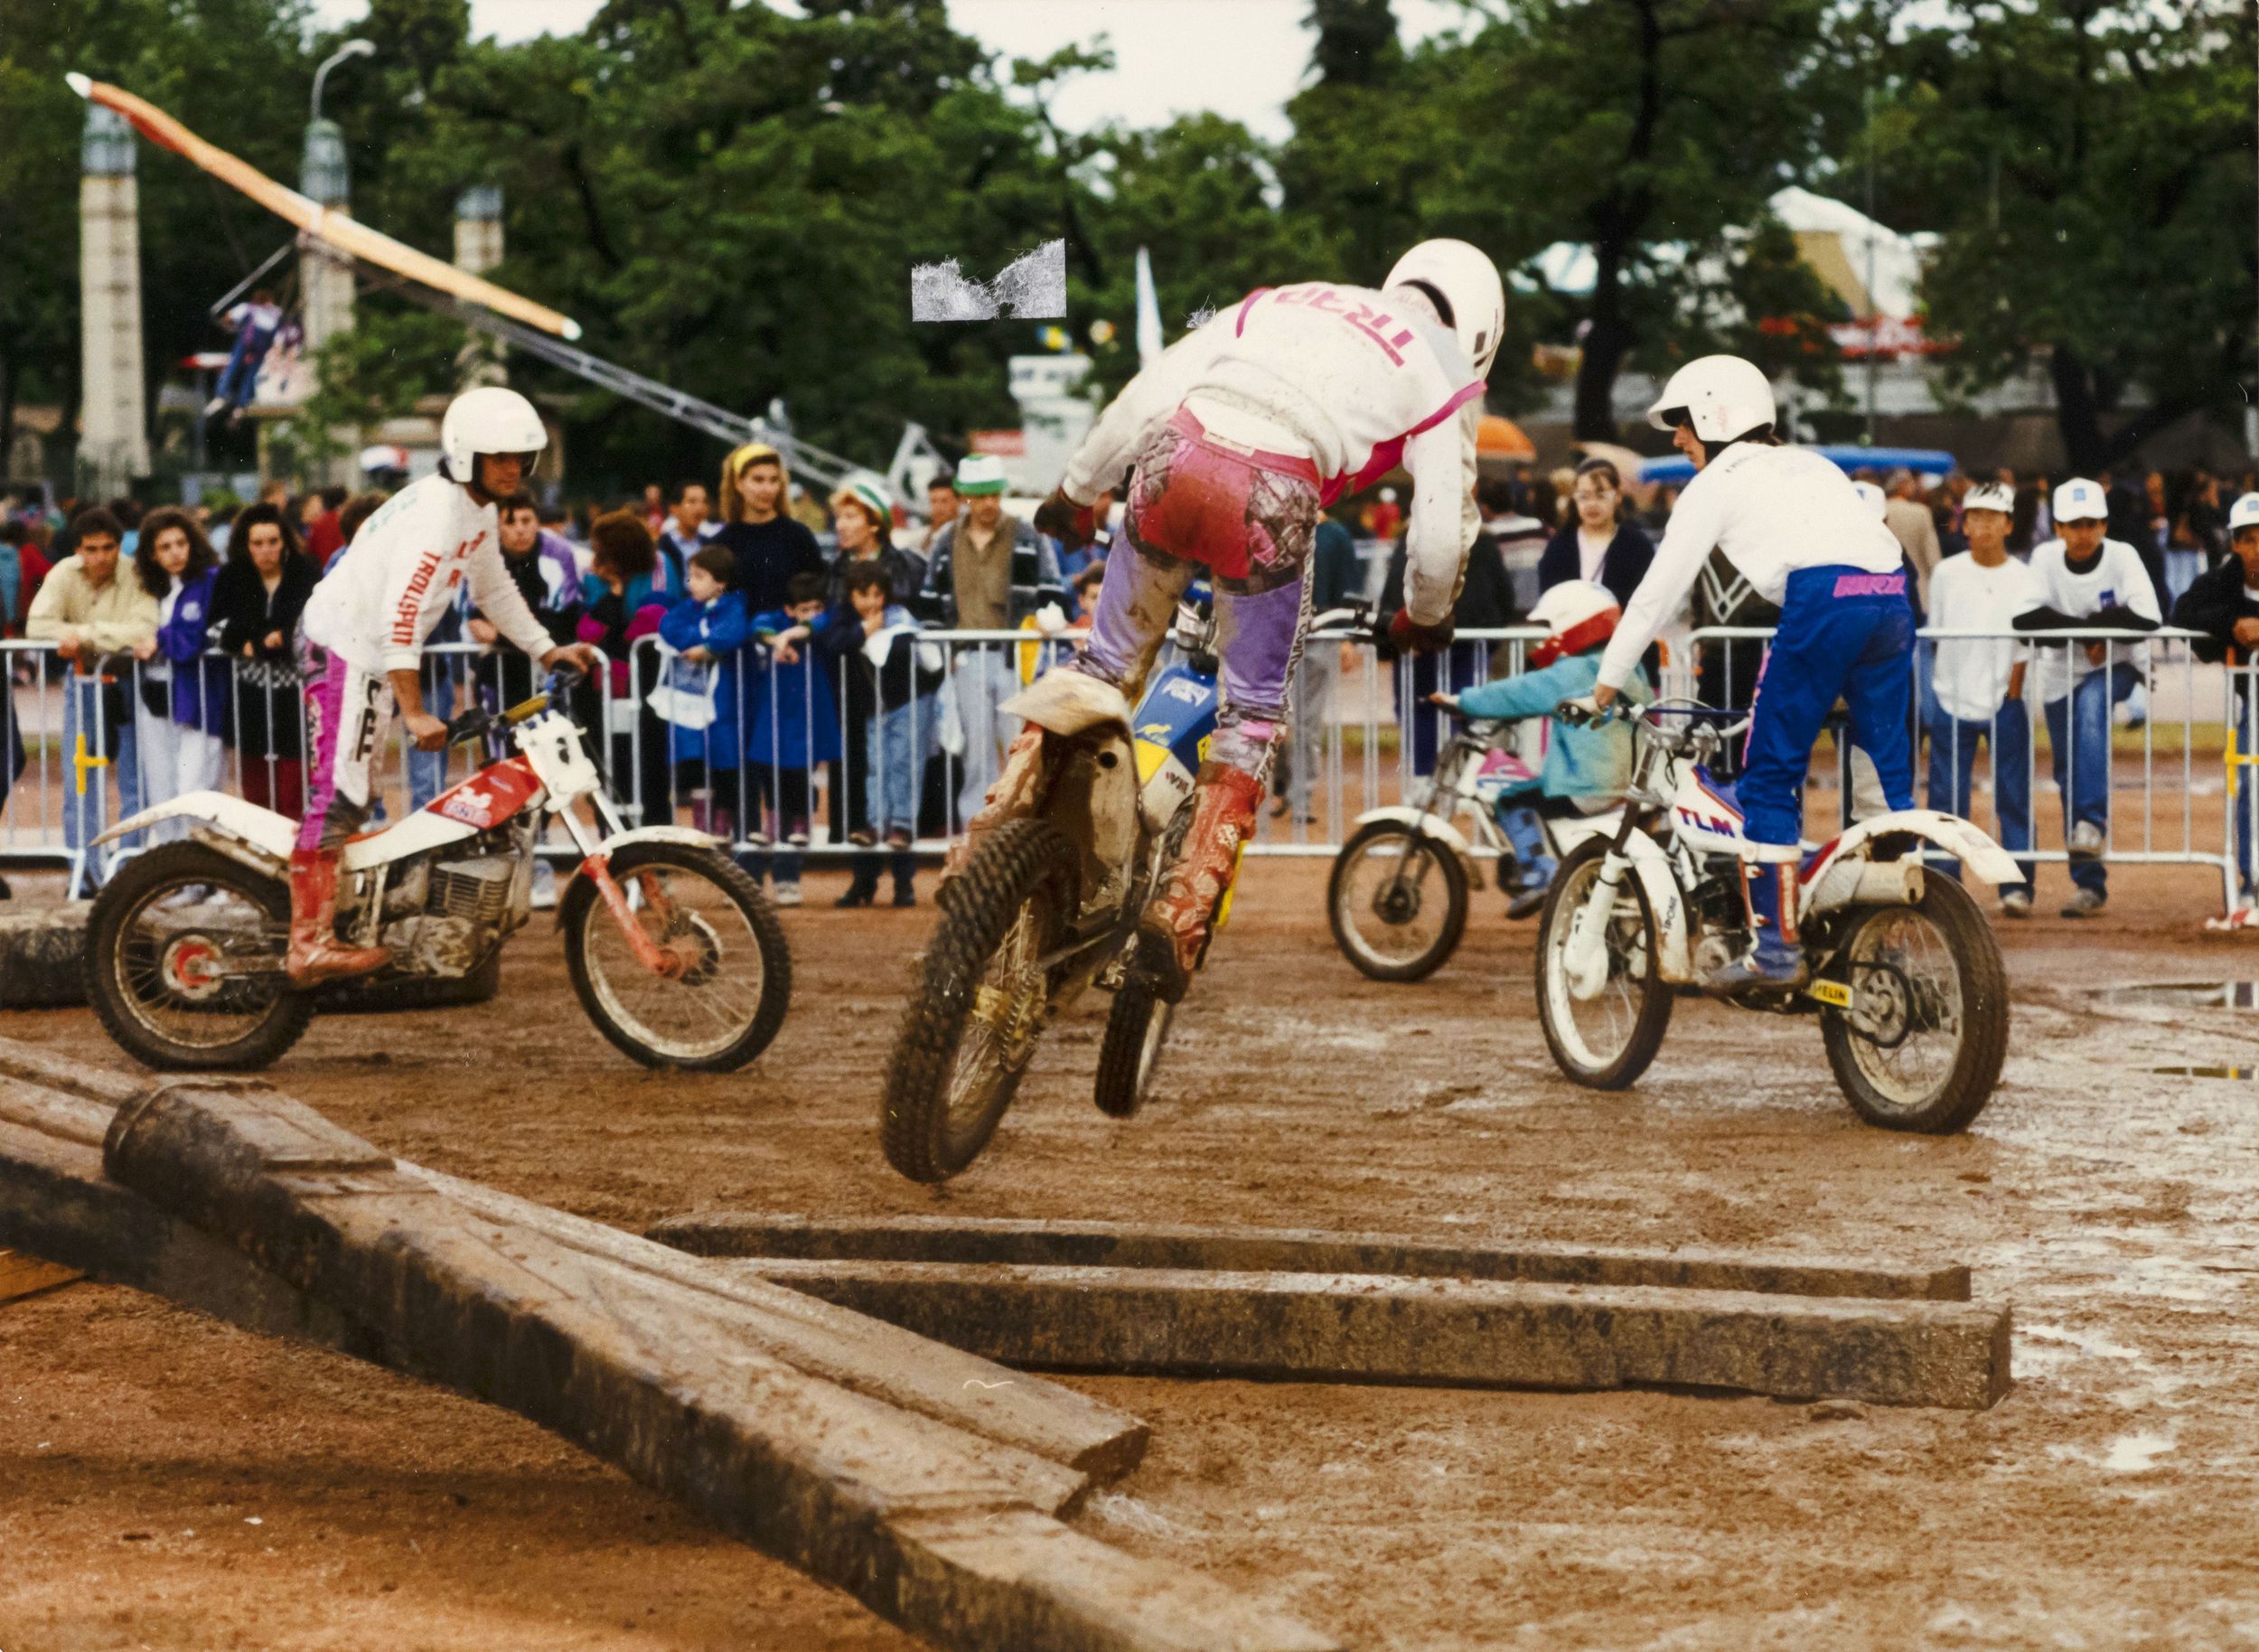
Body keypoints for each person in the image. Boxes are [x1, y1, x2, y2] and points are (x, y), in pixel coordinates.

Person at [1025, 238, 1502, 998]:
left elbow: (1147, 395)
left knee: (1103, 667)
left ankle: (1001, 834)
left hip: (1170, 457)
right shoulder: (1441, 365)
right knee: (1250, 717)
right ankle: (1178, 918)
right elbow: (1443, 529)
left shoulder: (1286, 300)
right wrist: (1423, 617)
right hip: (1269, 500)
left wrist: (1079, 491)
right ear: (1482, 333)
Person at [1589, 353, 1911, 990]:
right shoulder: (1813, 463)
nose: (1678, 438)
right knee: (1882, 775)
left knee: (1769, 775)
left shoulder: (1715, 482)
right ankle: (1890, 933)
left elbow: (1657, 594)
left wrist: (1605, 680)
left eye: (1682, 423)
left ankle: (1775, 951)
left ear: (1715, 415)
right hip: (1891, 593)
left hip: (1822, 602)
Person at [295, 387, 596, 985]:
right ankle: (306, 943)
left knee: (356, 794)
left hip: (369, 655)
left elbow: (494, 590)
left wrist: (545, 647)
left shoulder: (473, 511)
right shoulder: (438, 514)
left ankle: (347, 919)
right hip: (345, 649)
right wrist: (414, 712)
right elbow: (399, 617)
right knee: (341, 793)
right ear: (466, 455)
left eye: (521, 457)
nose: (515, 467)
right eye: (501, 456)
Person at [1438, 579, 1654, 917]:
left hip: (1590, 783)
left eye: (1552, 626)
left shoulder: (1572, 671)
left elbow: (1518, 693)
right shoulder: (1623, 665)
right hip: (1632, 782)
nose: (1546, 636)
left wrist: (1462, 701)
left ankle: (1541, 874)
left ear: (1572, 623)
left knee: (1512, 800)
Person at [2011, 476, 2161, 919]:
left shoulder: (2122, 556)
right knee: (2066, 772)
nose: (2082, 533)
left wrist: (2093, 626)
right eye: (2073, 524)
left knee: (2093, 706)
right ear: (2057, 527)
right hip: (2061, 675)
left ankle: (2092, 823)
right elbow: (2025, 616)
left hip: (2117, 666)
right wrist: (2088, 632)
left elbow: (2148, 616)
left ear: (2104, 525)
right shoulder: (2044, 558)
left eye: (2091, 523)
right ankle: (2089, 884)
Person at [916, 454, 1069, 825]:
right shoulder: (945, 540)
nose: (988, 503)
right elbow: (930, 600)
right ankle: (977, 828)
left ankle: (1024, 827)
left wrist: (1050, 614)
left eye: (994, 495)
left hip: (1016, 657)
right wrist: (941, 650)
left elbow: (1052, 589)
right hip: (967, 658)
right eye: (980, 495)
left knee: (1023, 749)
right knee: (976, 752)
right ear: (967, 496)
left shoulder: (1027, 535)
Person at [1923, 483, 2040, 915]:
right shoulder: (1947, 573)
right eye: (1975, 516)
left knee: (2013, 795)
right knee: (1947, 798)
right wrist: (1944, 689)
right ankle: (1944, 884)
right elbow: (1936, 633)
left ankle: (2017, 885)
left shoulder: (2025, 577)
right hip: (1952, 698)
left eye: (1993, 517)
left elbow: (2025, 644)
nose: (1983, 525)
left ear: (2008, 524)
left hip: (2004, 700)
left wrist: (2011, 694)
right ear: (1964, 522)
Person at [24, 507, 157, 887]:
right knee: (80, 777)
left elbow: (145, 628)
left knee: (136, 778)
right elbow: (37, 625)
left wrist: (81, 636)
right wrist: (107, 635)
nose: (100, 557)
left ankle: (127, 870)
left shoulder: (134, 572)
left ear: (119, 545)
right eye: (91, 549)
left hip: (130, 680)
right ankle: (85, 871)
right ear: (79, 549)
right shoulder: (64, 572)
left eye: (108, 547)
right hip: (83, 680)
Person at [824, 563, 944, 907]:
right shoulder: (844, 618)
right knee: (877, 768)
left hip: (906, 702)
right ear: (851, 594)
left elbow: (921, 654)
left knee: (904, 768)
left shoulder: (900, 616)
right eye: (864, 595)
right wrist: (864, 631)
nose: (872, 602)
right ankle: (875, 830)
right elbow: (833, 642)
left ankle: (903, 848)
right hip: (871, 709)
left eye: (878, 594)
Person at [2170, 491, 2259, 929]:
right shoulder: (2223, 582)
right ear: (2236, 544)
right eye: (2250, 539)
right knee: (2250, 782)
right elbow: (2183, 614)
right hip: (2256, 708)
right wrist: (2232, 627)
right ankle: (2253, 880)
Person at [214, 502, 319, 825]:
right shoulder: (232, 576)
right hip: (250, 691)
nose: (266, 550)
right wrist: (246, 641)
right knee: (256, 788)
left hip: (295, 693)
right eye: (257, 543)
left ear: (284, 541)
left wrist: (281, 639)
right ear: (246, 546)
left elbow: (315, 621)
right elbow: (216, 624)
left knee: (293, 788)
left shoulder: (305, 571)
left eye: (273, 541)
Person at [744, 570, 841, 906]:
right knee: (774, 791)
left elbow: (827, 621)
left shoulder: (820, 628)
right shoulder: (774, 622)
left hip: (810, 721)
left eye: (815, 607)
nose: (811, 614)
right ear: (788, 608)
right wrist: (779, 640)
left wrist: (794, 633)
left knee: (801, 785)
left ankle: (789, 876)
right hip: (774, 721)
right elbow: (757, 627)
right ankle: (778, 866)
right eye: (803, 609)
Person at [132, 507, 230, 843]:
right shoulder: (150, 589)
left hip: (199, 699)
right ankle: (177, 875)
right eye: (165, 547)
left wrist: (158, 640)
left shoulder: (211, 582)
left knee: (196, 789)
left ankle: (210, 874)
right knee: (162, 788)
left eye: (180, 543)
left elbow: (196, 638)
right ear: (152, 554)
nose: (175, 553)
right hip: (157, 696)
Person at [577, 511, 673, 831]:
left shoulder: (660, 565)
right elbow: (589, 630)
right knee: (609, 764)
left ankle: (658, 843)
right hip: (604, 684)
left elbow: (653, 621)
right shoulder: (594, 575)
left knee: (652, 763)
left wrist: (616, 629)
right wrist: (615, 592)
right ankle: (615, 840)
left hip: (648, 678)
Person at [657, 545, 750, 843]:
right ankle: (701, 826)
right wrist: (702, 641)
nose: (691, 583)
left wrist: (708, 648)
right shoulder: (689, 607)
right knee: (696, 762)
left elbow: (733, 632)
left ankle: (723, 825)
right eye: (690, 576)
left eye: (699, 576)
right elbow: (668, 625)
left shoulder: (734, 606)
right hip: (694, 705)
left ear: (720, 583)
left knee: (725, 762)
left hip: (723, 703)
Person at [715, 443, 825, 615]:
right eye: (758, 480)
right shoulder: (722, 543)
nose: (767, 489)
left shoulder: (798, 536)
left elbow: (819, 596)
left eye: (774, 480)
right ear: (738, 483)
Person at [1536, 455, 1654, 609]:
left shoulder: (1637, 545)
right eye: (1584, 496)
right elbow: (1549, 597)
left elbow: (1647, 600)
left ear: (1618, 496)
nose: (1592, 504)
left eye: (1601, 496)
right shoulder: (1559, 545)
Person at [206, 288, 283, 419]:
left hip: (246, 343)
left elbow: (229, 318)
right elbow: (278, 335)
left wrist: (229, 325)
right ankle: (242, 405)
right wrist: (277, 350)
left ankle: (221, 395)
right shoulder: (275, 313)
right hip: (261, 347)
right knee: (250, 375)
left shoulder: (248, 307)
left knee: (233, 368)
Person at [657, 480, 720, 577]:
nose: (700, 508)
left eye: (704, 502)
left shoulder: (710, 545)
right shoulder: (662, 547)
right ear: (674, 509)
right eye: (692, 502)